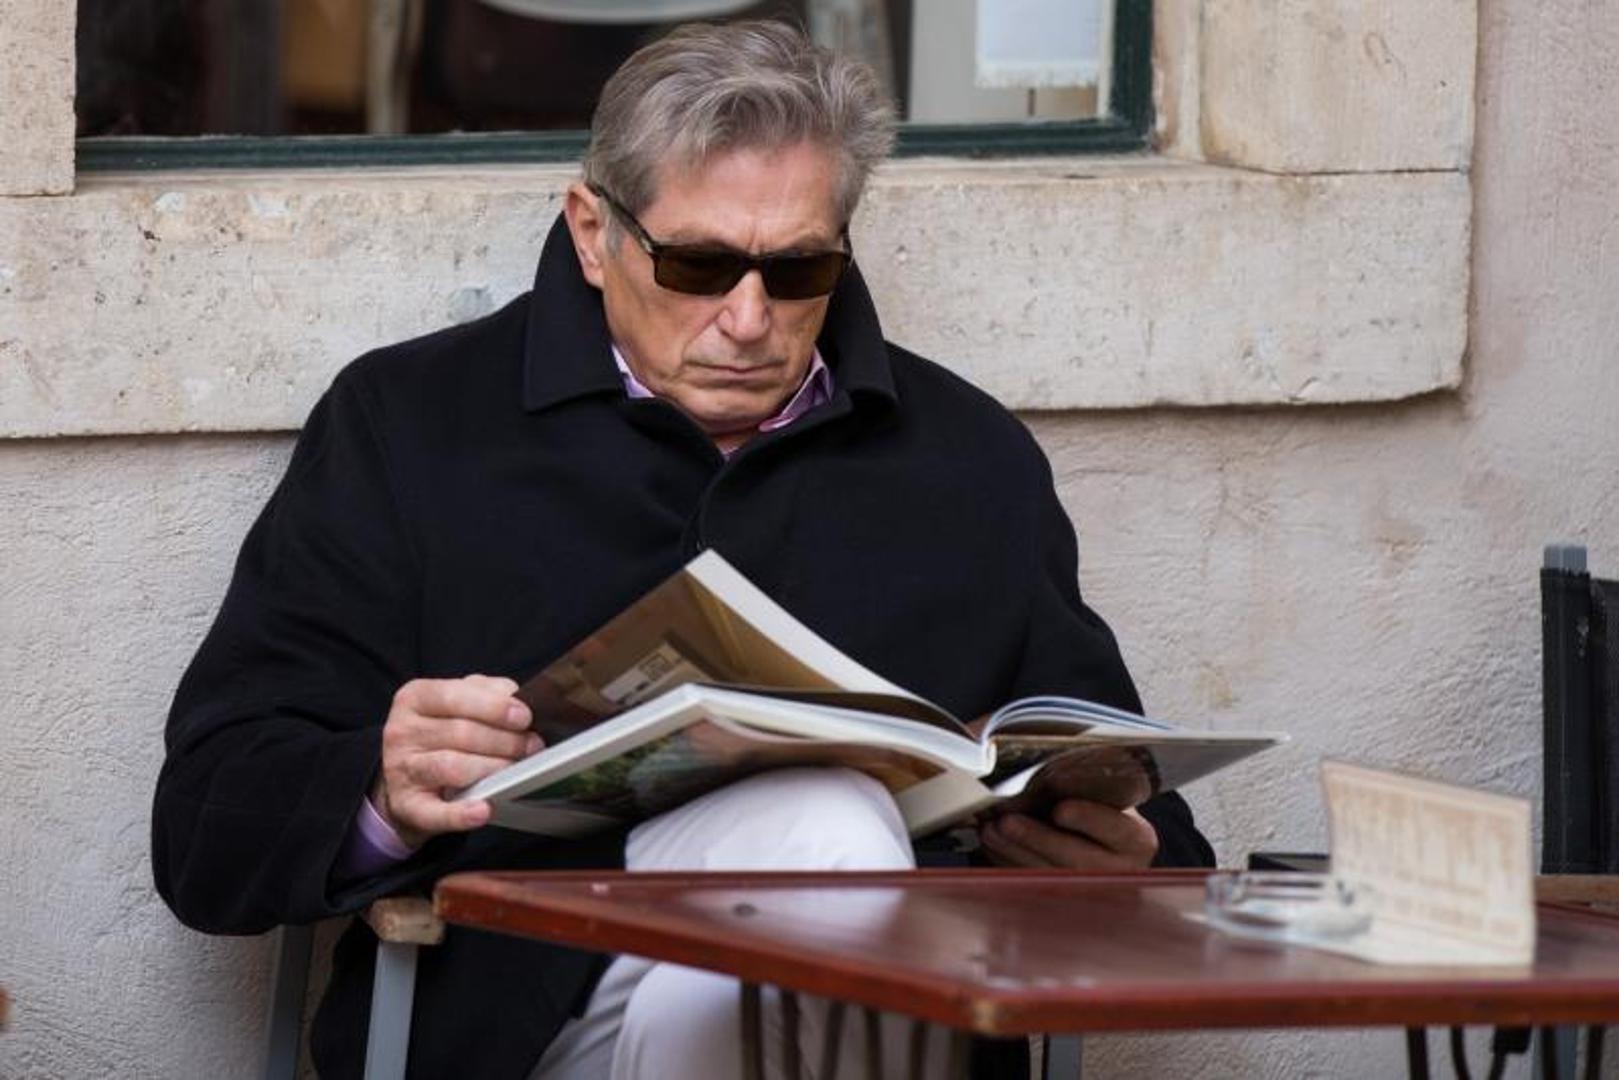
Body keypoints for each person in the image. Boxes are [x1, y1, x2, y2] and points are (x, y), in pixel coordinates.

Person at [152, 19, 1213, 1079]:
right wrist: (383, 791)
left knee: (825, 830)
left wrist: (1122, 853)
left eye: (796, 270)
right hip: (531, 1016)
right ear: (591, 232)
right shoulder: (414, 424)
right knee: (822, 821)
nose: (747, 319)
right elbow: (206, 832)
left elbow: (1126, 793)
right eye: (699, 266)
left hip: (895, 1013)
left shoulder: (966, 456)